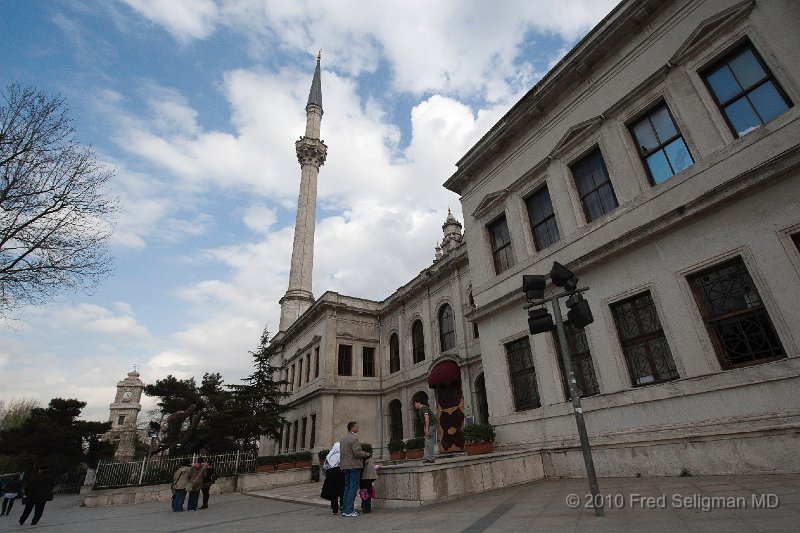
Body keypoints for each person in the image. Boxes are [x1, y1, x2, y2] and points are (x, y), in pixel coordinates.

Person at [340, 421, 371, 517]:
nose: (358, 428)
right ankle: (349, 510)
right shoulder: (354, 438)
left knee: (347, 487)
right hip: (354, 465)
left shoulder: (343, 438)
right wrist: (366, 454)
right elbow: (357, 452)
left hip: (345, 466)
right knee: (353, 488)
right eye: (356, 426)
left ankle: (345, 509)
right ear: (352, 428)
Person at [320, 442, 344, 514]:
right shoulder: (342, 455)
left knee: (333, 493)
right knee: (342, 491)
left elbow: (325, 467)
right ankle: (343, 507)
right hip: (340, 475)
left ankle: (334, 509)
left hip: (331, 476)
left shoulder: (329, 456)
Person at [414, 399, 439, 463]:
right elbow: (425, 422)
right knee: (427, 441)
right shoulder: (421, 410)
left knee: (429, 441)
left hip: (432, 425)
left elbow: (427, 418)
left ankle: (430, 458)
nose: (415, 406)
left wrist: (427, 429)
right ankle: (430, 457)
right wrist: (425, 430)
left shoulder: (423, 408)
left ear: (419, 403)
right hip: (430, 425)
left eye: (415, 404)